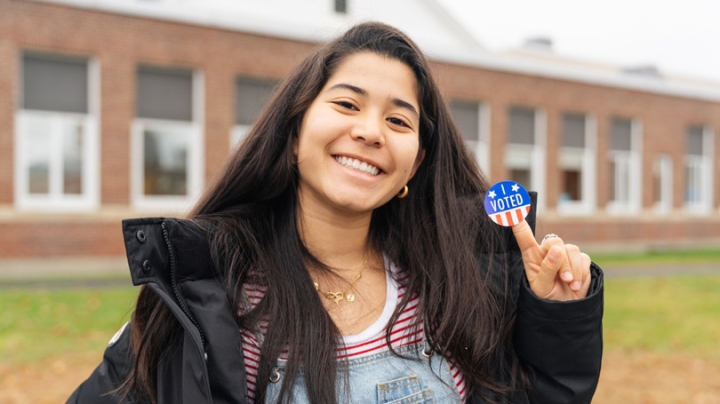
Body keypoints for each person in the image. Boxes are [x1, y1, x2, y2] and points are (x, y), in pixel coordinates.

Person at [67, 22, 603, 404]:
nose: (370, 131)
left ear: (414, 164)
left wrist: (556, 315)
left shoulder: (458, 281)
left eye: (398, 121)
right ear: (295, 132)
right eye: (347, 105)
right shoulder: (200, 293)